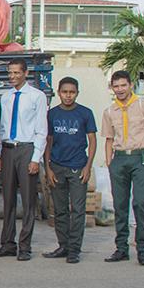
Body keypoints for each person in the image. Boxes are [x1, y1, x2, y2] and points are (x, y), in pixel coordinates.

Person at [102, 69, 144, 266]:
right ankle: (121, 248)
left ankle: (142, 249)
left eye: (123, 85)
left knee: (141, 203)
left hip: (139, 158)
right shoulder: (110, 111)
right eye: (116, 86)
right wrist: (110, 162)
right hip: (119, 159)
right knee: (120, 205)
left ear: (130, 85)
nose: (120, 89)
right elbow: (109, 139)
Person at [0, 59, 48, 261]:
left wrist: (36, 158)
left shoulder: (37, 97)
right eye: (10, 73)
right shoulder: (6, 97)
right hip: (8, 149)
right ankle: (7, 243)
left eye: (16, 72)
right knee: (8, 199)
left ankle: (25, 246)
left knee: (27, 200)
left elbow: (42, 130)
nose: (13, 76)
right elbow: (3, 127)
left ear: (25, 73)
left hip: (27, 149)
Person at [44, 77, 98, 264]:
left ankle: (74, 249)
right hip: (57, 167)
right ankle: (63, 245)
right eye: (65, 92)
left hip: (77, 167)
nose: (68, 95)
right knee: (59, 210)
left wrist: (88, 166)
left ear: (77, 93)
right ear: (59, 92)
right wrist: (48, 168)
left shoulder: (85, 113)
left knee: (77, 210)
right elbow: (48, 141)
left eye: (72, 92)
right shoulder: (52, 114)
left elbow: (92, 140)